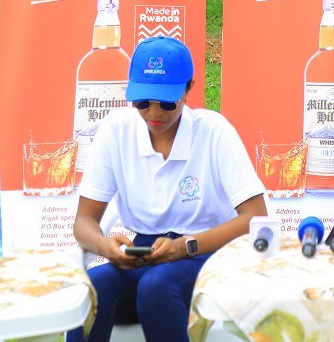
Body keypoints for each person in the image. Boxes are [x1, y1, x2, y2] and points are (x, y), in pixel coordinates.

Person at [69, 36, 267, 342]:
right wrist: (104, 246)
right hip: (144, 253)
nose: (153, 113)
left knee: (157, 287)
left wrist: (186, 246)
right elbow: (84, 221)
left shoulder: (214, 132)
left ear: (188, 89)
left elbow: (256, 217)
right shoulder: (116, 130)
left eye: (166, 102)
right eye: (142, 102)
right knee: (92, 288)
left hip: (208, 252)